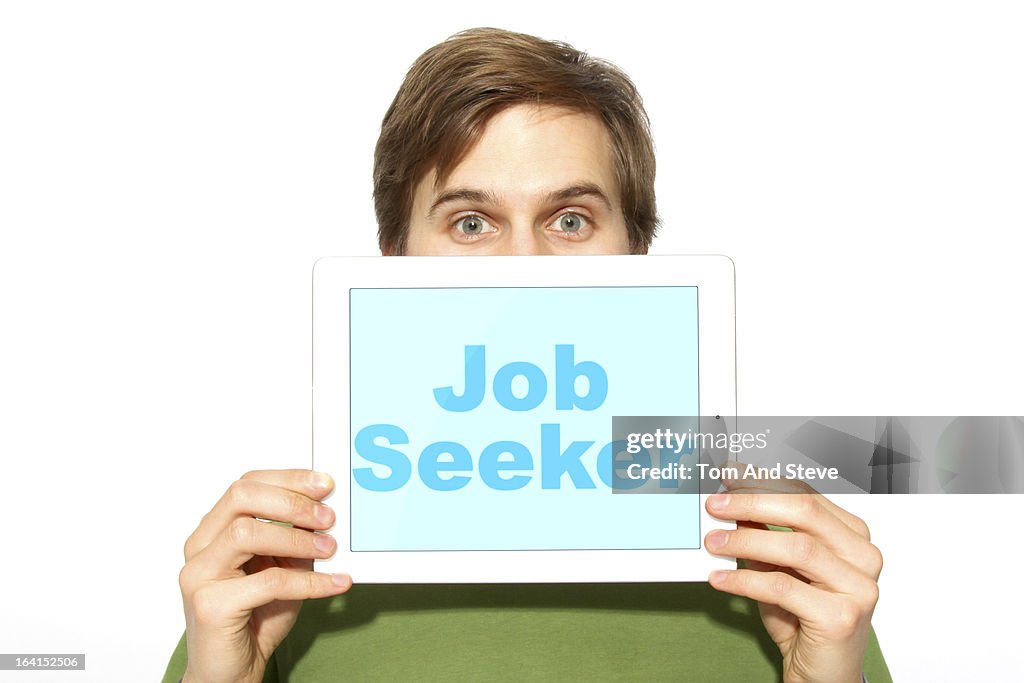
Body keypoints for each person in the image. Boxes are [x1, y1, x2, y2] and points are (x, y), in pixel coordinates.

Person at [165, 28, 889, 682]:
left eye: (570, 219)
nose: (523, 265)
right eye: (471, 221)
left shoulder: (776, 563)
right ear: (394, 264)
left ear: (637, 256)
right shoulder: (285, 566)